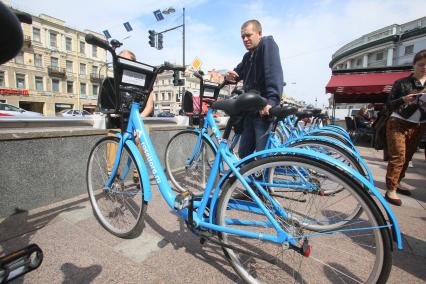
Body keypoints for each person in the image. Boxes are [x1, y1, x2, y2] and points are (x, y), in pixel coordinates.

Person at [226, 19, 283, 158]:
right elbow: (238, 72)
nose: (245, 39)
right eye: (242, 37)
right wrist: (231, 77)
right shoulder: (248, 56)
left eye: (248, 35)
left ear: (259, 33)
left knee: (262, 157)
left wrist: (272, 100)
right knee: (244, 154)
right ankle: (249, 179)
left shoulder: (267, 44)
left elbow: (273, 73)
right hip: (250, 111)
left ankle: (265, 178)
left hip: (263, 110)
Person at [384, 49, 426, 206]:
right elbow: (388, 104)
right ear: (414, 65)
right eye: (421, 64)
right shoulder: (402, 83)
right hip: (398, 122)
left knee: (408, 157)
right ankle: (391, 189)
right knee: (398, 156)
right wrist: (403, 99)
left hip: (419, 125)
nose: (424, 68)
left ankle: (398, 182)